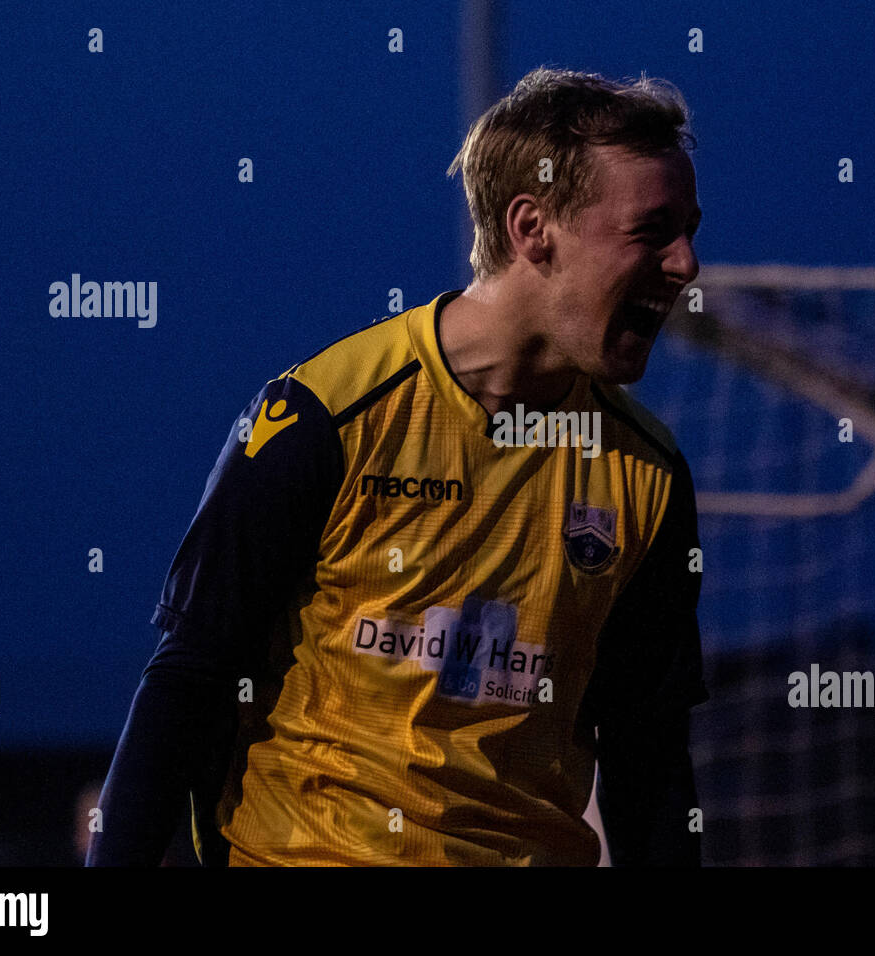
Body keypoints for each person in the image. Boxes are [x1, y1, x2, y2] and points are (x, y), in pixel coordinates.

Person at [87, 66, 708, 867]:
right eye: (653, 230)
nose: (687, 265)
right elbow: (187, 678)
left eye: (691, 229)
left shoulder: (647, 473)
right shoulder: (321, 414)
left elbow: (647, 757)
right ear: (533, 229)